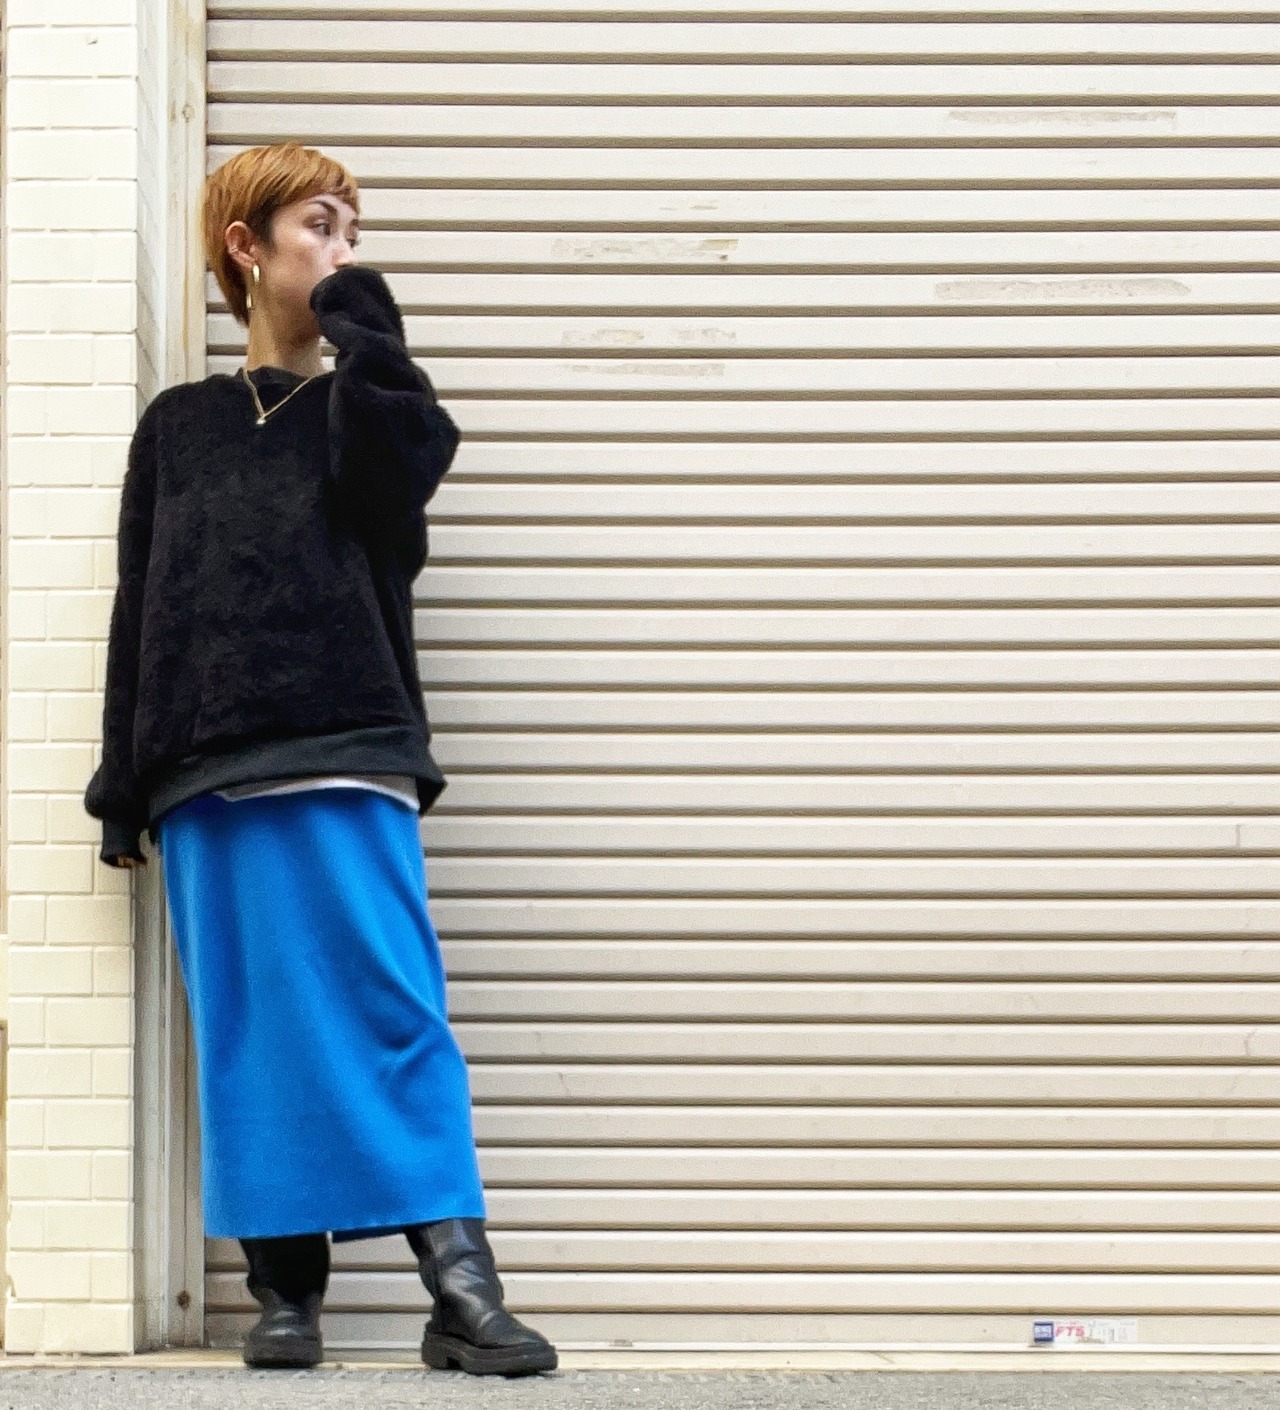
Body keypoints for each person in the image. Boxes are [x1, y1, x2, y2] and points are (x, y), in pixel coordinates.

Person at [83, 141, 557, 1377]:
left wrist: (366, 330)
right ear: (246, 245)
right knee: (250, 1033)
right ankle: (284, 1293)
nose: (343, 247)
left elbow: (404, 485)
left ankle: (461, 1289)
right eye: (320, 224)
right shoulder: (180, 426)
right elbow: (143, 609)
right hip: (205, 773)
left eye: (352, 229)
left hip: (348, 744)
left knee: (394, 1014)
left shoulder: (367, 406)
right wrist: (121, 790)